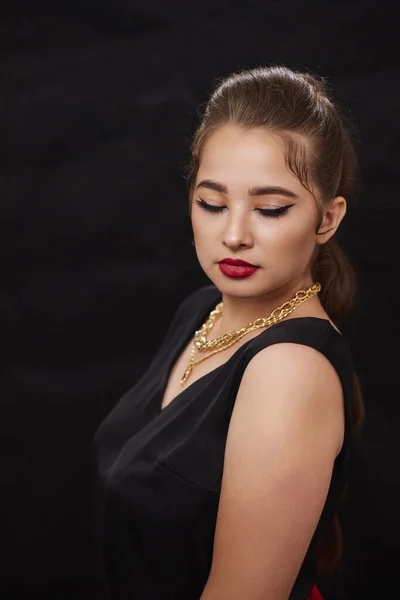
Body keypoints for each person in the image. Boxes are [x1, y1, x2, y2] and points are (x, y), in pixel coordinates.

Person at [94, 65, 365, 600]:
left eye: (270, 209)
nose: (234, 235)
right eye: (212, 203)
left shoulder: (289, 371)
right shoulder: (204, 310)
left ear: (327, 220)